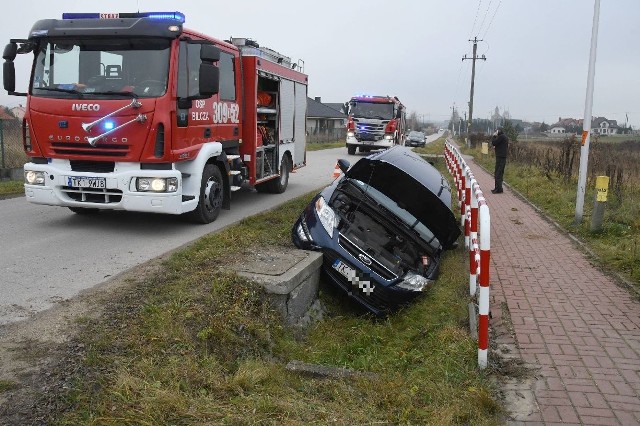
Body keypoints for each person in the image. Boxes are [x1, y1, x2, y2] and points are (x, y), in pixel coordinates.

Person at [491, 128, 509, 194]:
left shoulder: (501, 137)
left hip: (500, 157)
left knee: (498, 173)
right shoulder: (504, 137)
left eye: (496, 131)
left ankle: (498, 189)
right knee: (500, 173)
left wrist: (494, 136)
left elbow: (494, 143)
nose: (496, 132)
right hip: (502, 157)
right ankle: (499, 188)